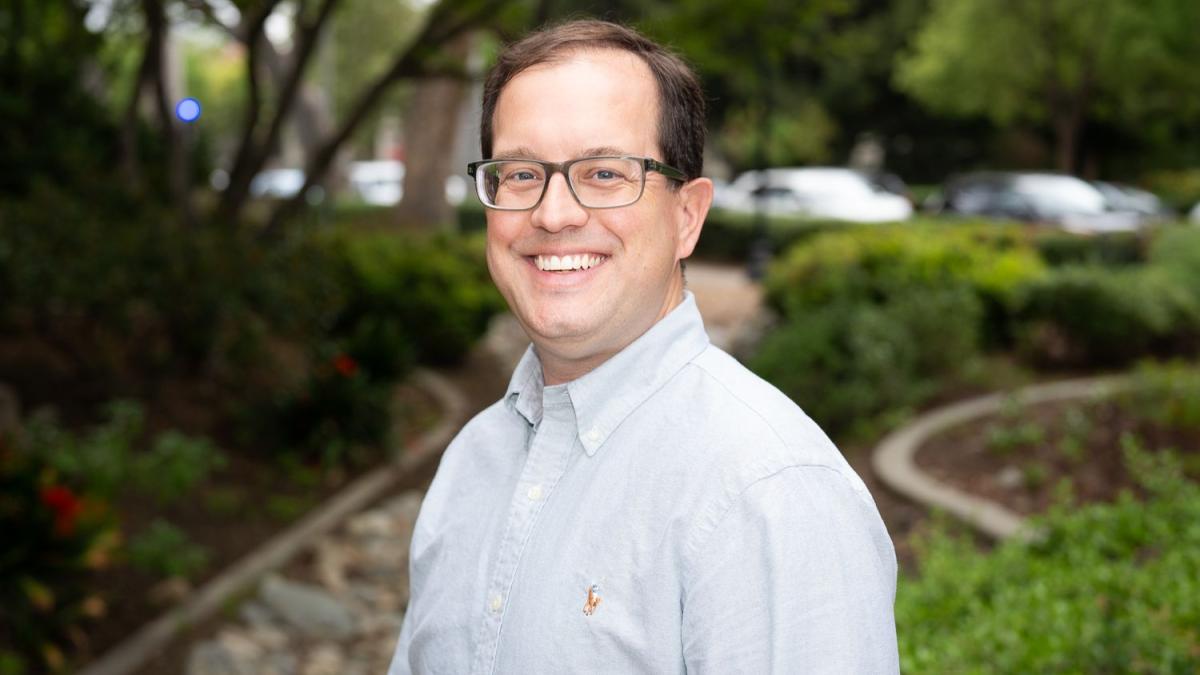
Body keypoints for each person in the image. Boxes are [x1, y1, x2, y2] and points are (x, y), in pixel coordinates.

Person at [387, 19, 898, 674]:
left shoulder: (768, 492)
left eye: (603, 172)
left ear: (687, 216)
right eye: (520, 173)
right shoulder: (471, 462)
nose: (553, 214)